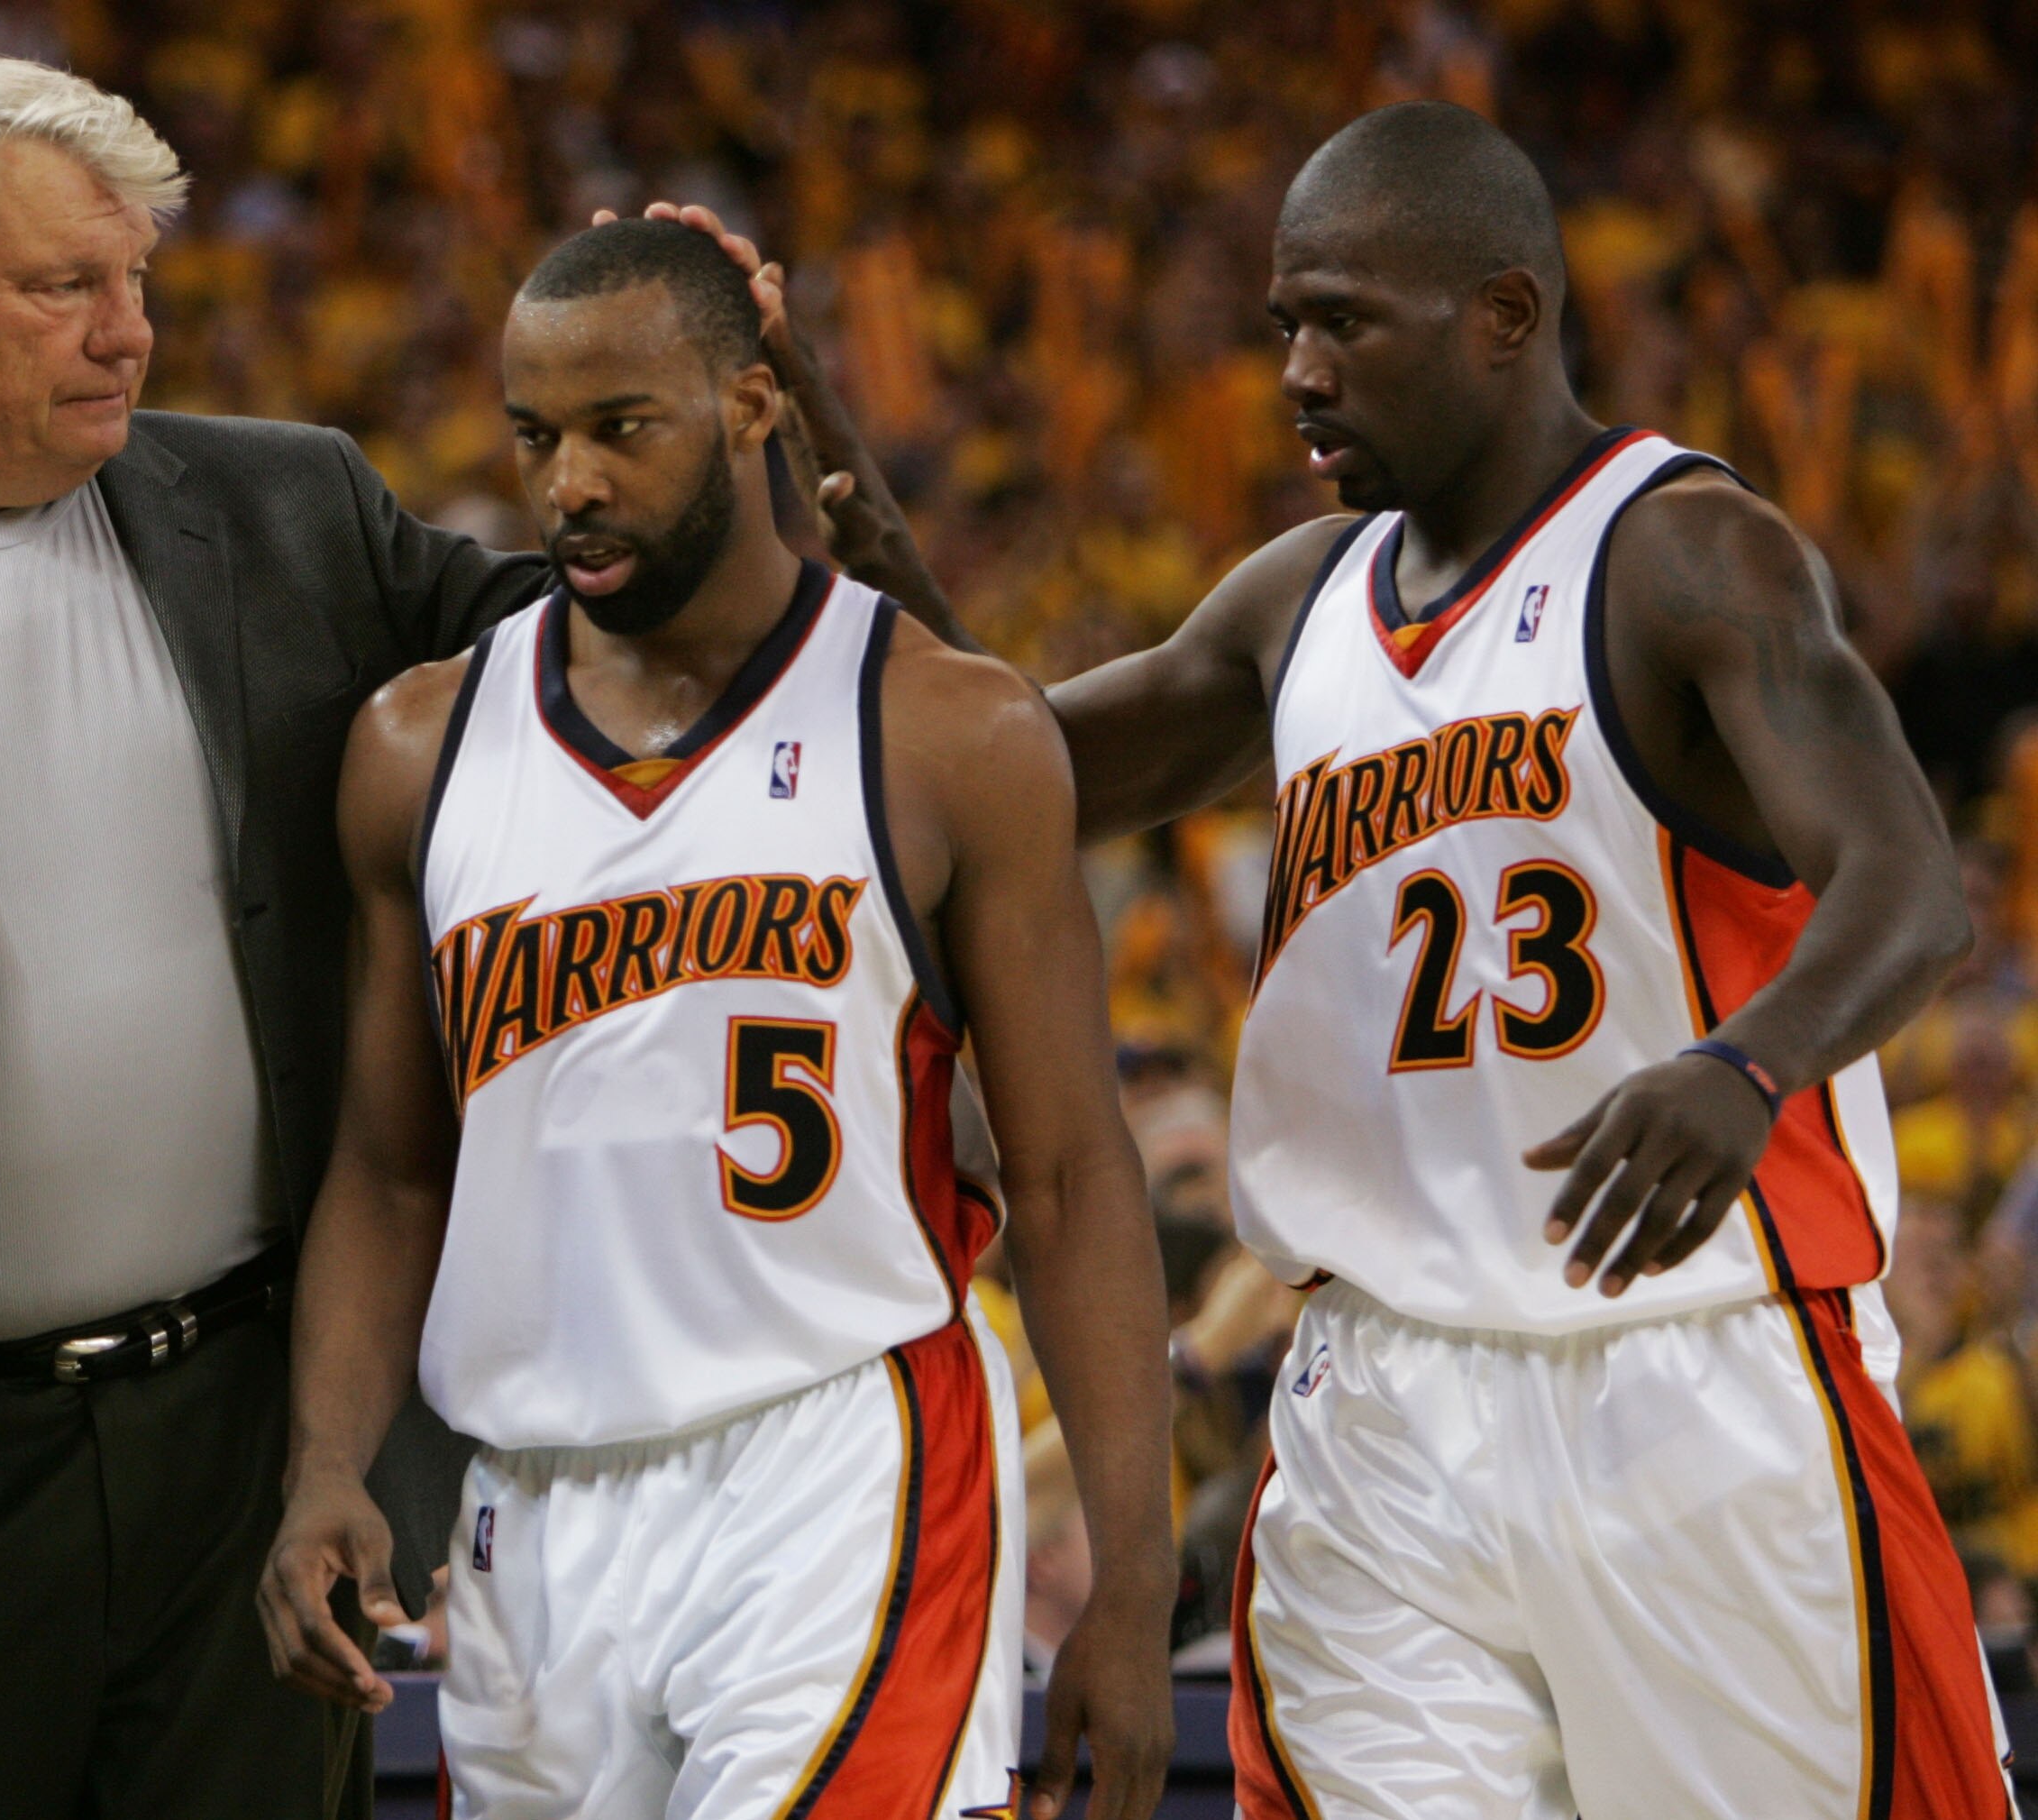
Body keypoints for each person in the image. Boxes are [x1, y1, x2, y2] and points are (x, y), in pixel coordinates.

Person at [0, 45, 847, 1820]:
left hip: (240, 1466)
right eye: (65, 289)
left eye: (138, 284)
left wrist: (740, 413)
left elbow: (636, 652)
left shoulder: (291, 511)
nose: (129, 332)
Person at [800, 103, 2011, 1818]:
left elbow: (1908, 883)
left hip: (1690, 1367)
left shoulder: (1681, 550)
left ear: (1503, 316)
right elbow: (1027, 781)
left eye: (1342, 321)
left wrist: (1749, 1061)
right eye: (1285, 320)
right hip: (1378, 1398)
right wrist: (881, 565)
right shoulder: (1297, 600)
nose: (1295, 367)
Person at [259, 219, 1176, 1820]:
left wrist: (1137, 1570)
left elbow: (1076, 1173)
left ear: (755, 408)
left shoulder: (949, 728)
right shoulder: (420, 743)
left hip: (834, 1462)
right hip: (532, 1509)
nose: (571, 486)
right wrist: (325, 1459)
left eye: (626, 428)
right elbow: (394, 1168)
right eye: (537, 436)